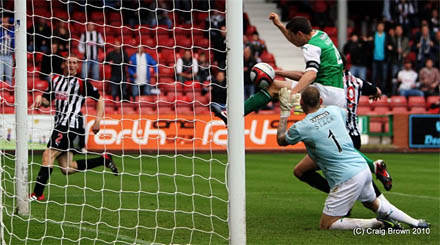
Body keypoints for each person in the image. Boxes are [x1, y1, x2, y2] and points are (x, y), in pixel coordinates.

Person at [276, 86, 429, 230]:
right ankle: (415, 222)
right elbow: (338, 114)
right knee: (372, 203)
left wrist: (284, 113)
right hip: (362, 167)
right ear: (321, 101)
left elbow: (281, 140)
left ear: (301, 103)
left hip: (346, 177)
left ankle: (377, 223)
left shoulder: (301, 127)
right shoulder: (334, 111)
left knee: (327, 224)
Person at [29, 56, 118, 202]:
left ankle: (37, 194)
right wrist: (40, 97)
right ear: (64, 64)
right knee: (67, 168)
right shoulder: (56, 80)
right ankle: (103, 160)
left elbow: (100, 99)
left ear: (78, 66)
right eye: (69, 62)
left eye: (75, 63)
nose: (72, 65)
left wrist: (98, 120)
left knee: (48, 155)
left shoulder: (81, 83)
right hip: (60, 125)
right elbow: (46, 101)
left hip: (71, 125)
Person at [372, 22, 389, 94]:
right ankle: (373, 91)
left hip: (383, 59)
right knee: (374, 76)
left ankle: (383, 92)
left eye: (381, 26)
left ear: (383, 27)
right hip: (375, 59)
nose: (380, 27)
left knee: (384, 77)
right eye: (379, 26)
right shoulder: (373, 35)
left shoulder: (387, 36)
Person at [0, 16, 14, 85]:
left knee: (9, 76)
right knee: (0, 75)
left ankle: (9, 91)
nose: (5, 23)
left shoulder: (11, 31)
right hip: (0, 56)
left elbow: (16, 20)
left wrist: (9, 19)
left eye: (6, 22)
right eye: (3, 22)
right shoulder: (0, 31)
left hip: (9, 56)